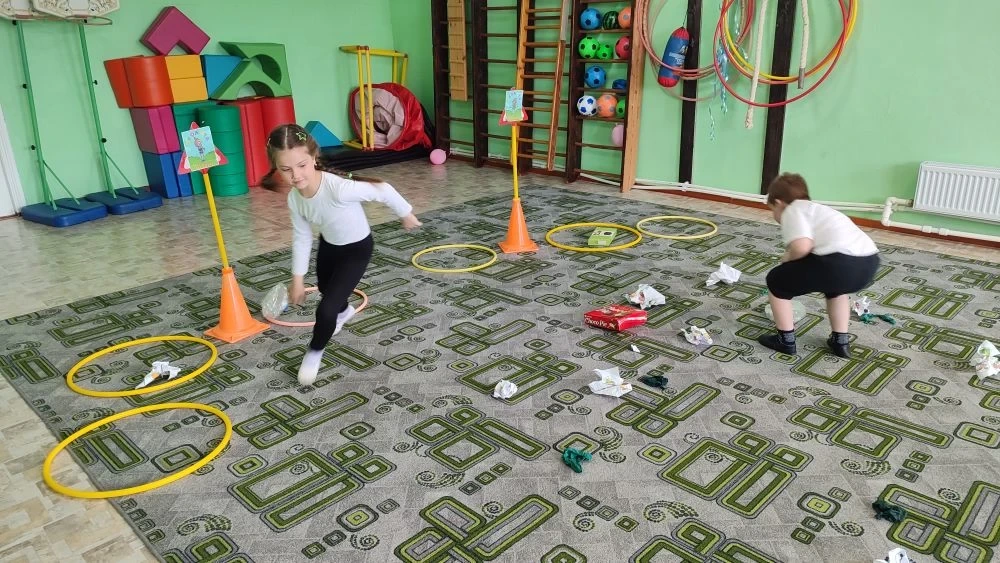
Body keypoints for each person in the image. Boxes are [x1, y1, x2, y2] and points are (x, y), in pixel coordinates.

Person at [262, 124, 422, 385]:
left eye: (302, 165)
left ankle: (315, 351)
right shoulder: (295, 199)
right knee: (327, 289)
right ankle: (345, 311)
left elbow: (382, 189)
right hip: (329, 246)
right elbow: (302, 237)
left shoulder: (338, 188)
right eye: (286, 169)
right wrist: (297, 280)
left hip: (356, 250)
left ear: (314, 157)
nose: (296, 175)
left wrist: (405, 213)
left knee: (326, 310)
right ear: (276, 167)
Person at [759, 173, 880, 359]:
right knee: (836, 289)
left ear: (778, 203)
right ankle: (840, 341)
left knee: (776, 281)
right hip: (868, 263)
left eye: (772, 210)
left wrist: (787, 258)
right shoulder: (818, 210)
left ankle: (785, 340)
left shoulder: (792, 209)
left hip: (838, 263)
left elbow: (802, 246)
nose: (775, 215)